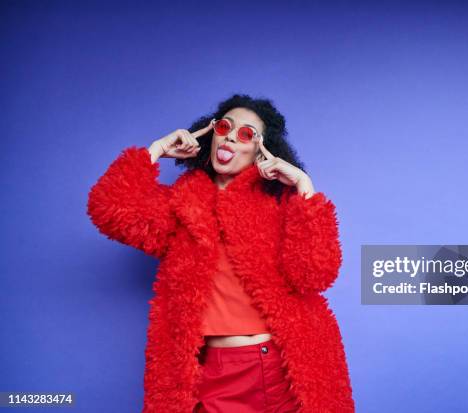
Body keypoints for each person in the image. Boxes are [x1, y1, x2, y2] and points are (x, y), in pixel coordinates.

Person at [87, 94, 355, 412]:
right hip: (214, 372)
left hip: (282, 369)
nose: (230, 135)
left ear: (262, 150)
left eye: (245, 134)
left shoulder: (281, 205)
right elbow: (108, 207)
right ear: (211, 132)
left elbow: (314, 274)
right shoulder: (181, 207)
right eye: (225, 126)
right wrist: (156, 150)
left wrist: (303, 185)